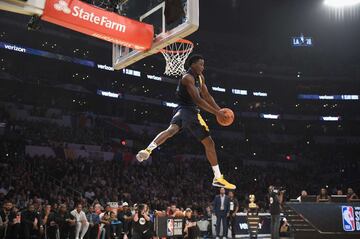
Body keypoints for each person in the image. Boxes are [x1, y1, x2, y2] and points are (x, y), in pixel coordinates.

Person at [136, 55, 236, 190]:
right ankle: (218, 177)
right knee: (209, 143)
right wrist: (217, 113)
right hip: (189, 110)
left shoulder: (200, 78)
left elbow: (207, 96)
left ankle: (148, 150)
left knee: (171, 130)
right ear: (193, 65)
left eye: (203, 64)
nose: (203, 67)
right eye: (200, 64)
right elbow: (198, 100)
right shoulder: (187, 78)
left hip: (180, 110)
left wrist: (220, 110)